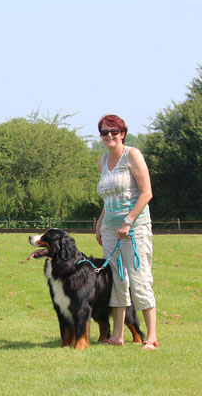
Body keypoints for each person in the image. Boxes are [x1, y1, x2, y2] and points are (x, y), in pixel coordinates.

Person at [95, 114, 158, 350]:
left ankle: (151, 337)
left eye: (114, 131)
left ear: (122, 133)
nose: (109, 135)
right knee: (117, 280)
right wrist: (100, 223)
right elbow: (108, 198)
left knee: (139, 278)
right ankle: (117, 336)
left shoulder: (132, 155)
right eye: (104, 132)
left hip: (134, 229)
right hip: (111, 229)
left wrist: (129, 221)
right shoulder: (103, 161)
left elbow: (146, 192)